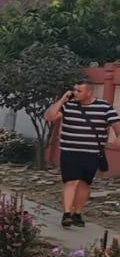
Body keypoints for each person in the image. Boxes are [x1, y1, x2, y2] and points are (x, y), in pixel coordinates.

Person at [45, 80, 120, 228]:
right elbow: (49, 116)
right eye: (75, 90)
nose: (75, 93)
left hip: (92, 153)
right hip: (70, 151)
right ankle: (67, 214)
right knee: (71, 181)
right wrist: (62, 99)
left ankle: (77, 213)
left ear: (89, 92)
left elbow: (117, 126)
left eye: (80, 91)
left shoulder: (104, 107)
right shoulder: (67, 105)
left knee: (85, 183)